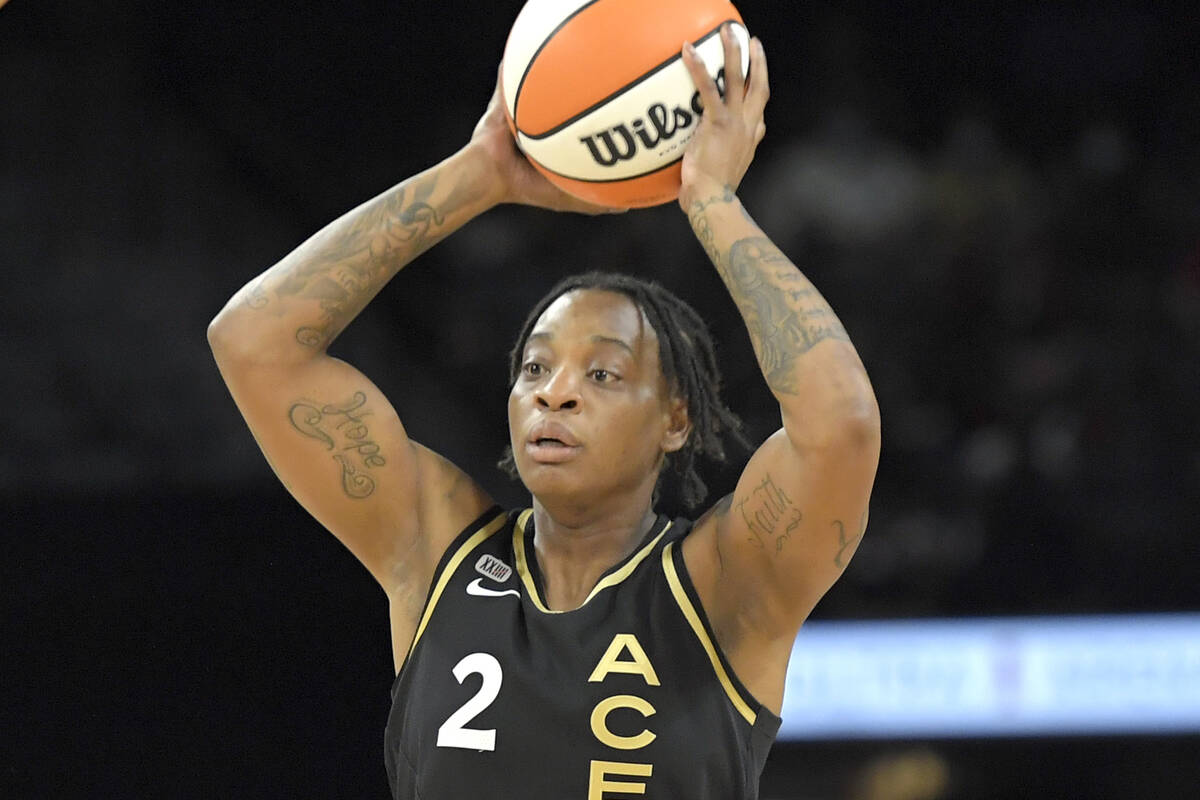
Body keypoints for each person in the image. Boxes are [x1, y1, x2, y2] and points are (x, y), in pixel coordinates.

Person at [208, 27, 879, 800]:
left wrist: (712, 201)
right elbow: (252, 343)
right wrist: (477, 176)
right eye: (534, 367)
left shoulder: (725, 581)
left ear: (675, 420)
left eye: (602, 373)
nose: (554, 393)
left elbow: (842, 425)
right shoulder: (436, 551)